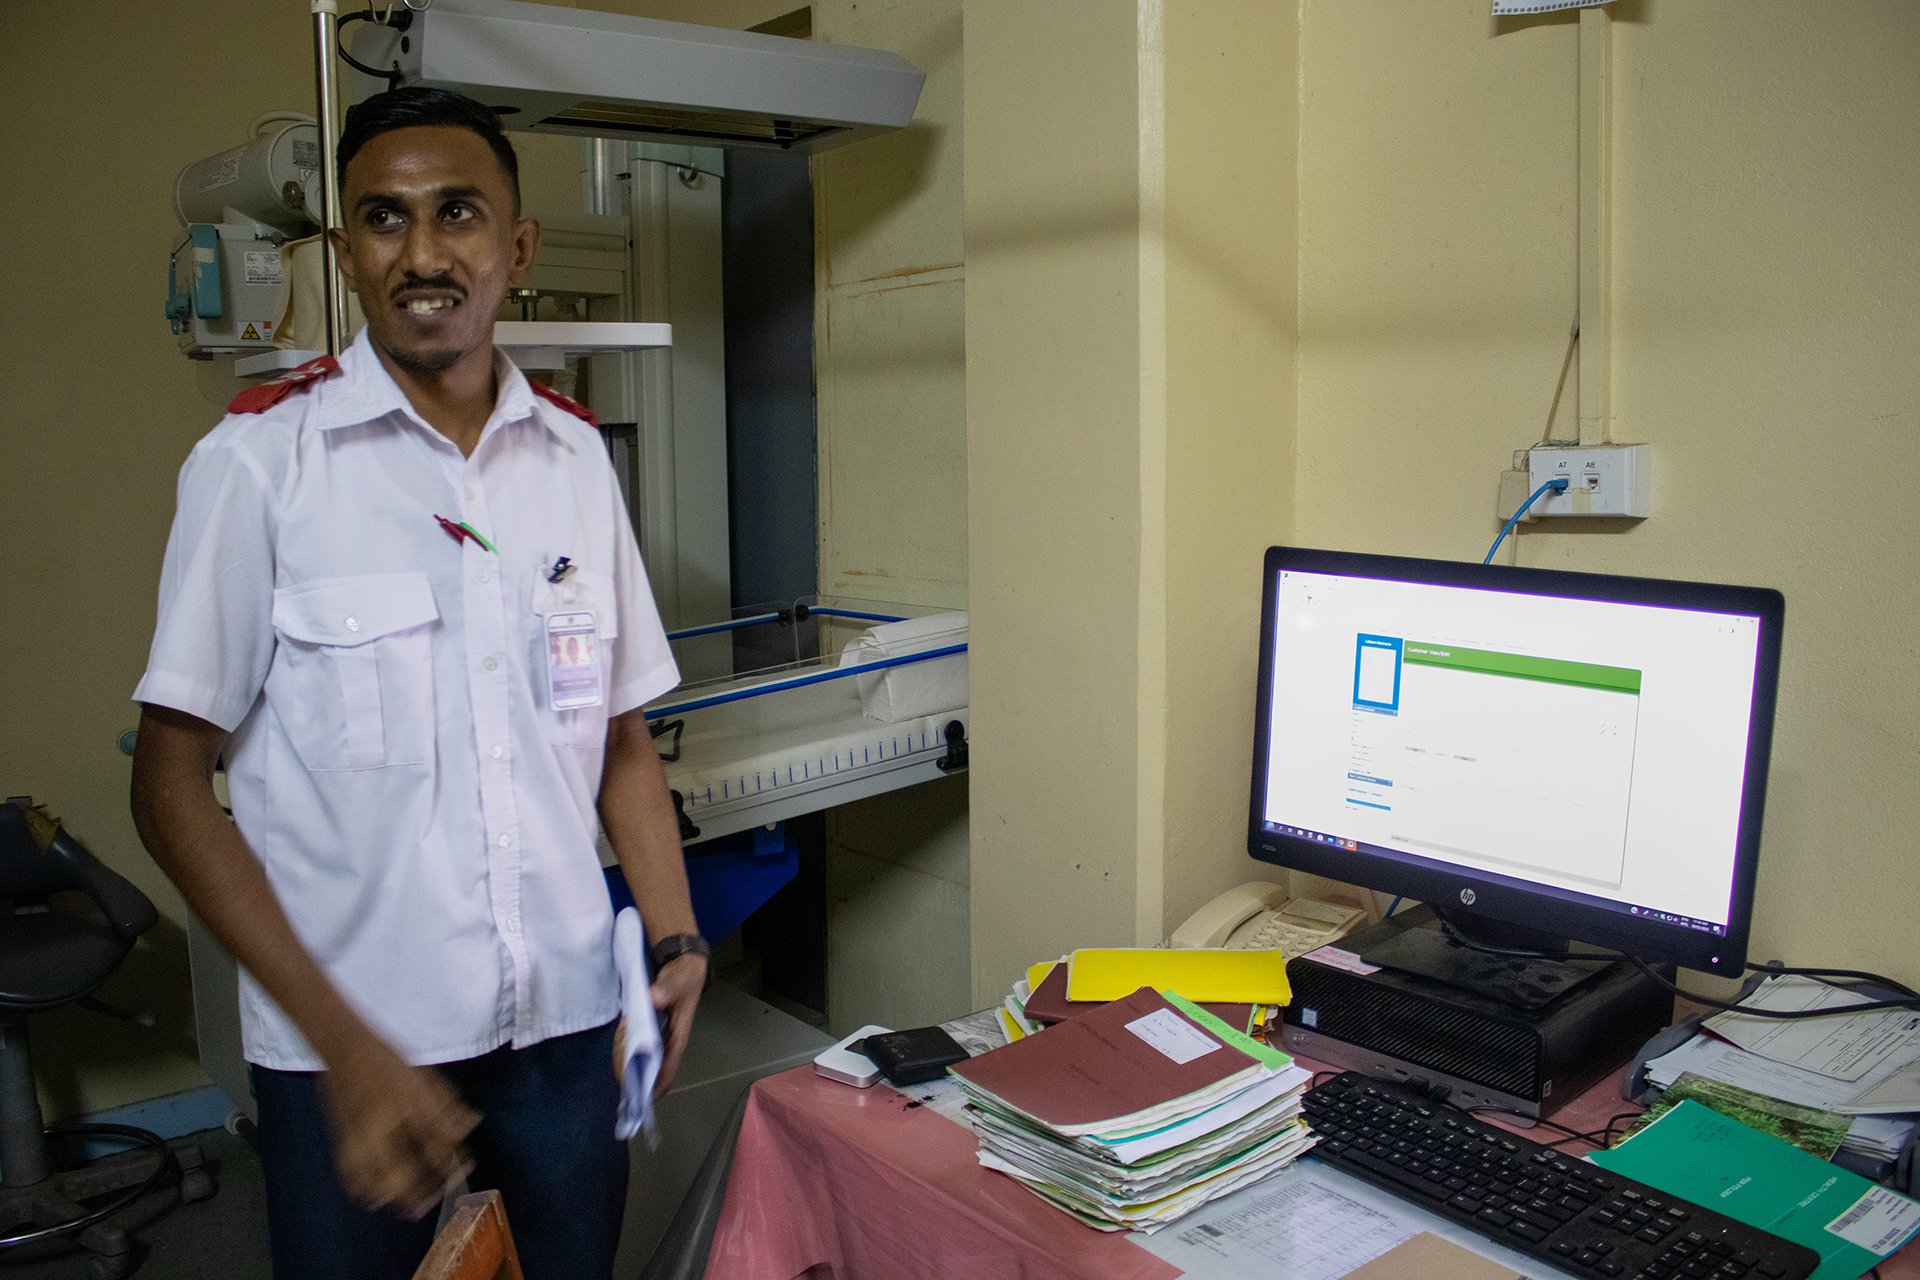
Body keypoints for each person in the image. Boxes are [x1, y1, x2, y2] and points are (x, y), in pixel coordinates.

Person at [130, 87, 706, 1280]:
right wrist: (346, 1046)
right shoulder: (261, 465)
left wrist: (674, 933)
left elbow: (620, 736)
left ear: (518, 246)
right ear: (347, 252)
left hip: (562, 1031)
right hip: (352, 1043)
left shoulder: (574, 459)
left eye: (459, 213)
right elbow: (171, 784)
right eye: (385, 219)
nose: (424, 252)